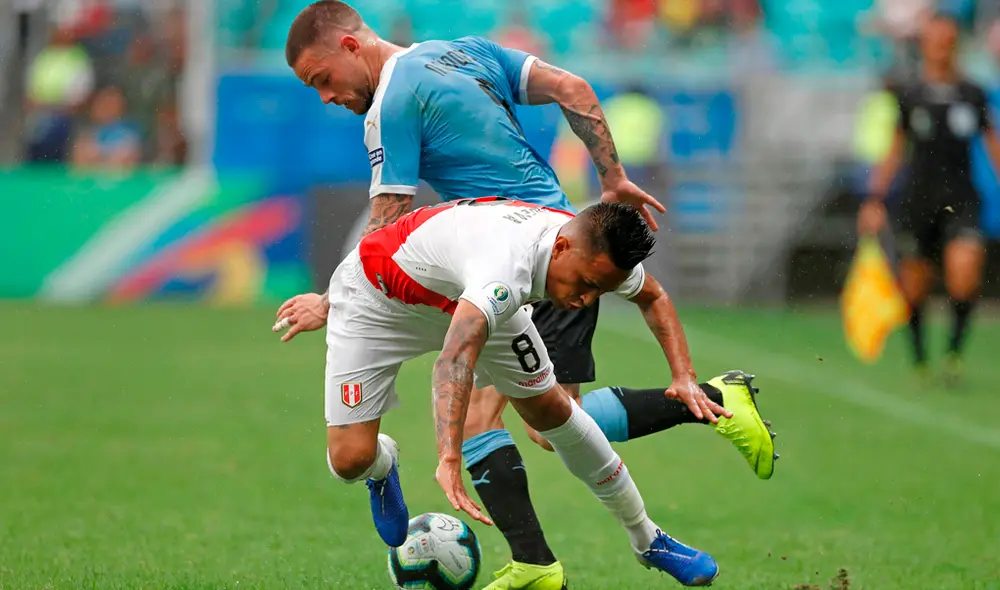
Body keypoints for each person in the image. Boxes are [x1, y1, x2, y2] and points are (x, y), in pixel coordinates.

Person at [279, 2, 777, 587]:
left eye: (323, 80)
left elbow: (387, 222)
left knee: (528, 420)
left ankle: (544, 560)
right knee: (544, 418)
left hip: (534, 265)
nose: (326, 97)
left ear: (351, 47)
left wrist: (333, 300)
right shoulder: (462, 51)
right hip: (552, 234)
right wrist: (611, 175)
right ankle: (545, 559)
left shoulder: (391, 102)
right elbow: (573, 86)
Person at [275, 198, 727, 586]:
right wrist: (448, 457)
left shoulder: (594, 254)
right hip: (377, 304)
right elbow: (453, 360)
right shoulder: (504, 267)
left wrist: (683, 375)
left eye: (601, 291)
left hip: (468, 302)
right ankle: (383, 463)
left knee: (553, 410)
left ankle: (648, 539)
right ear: (563, 248)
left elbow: (653, 296)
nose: (587, 300)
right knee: (349, 460)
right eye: (587, 285)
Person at [860, 12, 1000, 387]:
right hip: (917, 201)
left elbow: (991, 145)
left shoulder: (973, 92)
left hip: (962, 198)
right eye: (935, 39)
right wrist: (874, 198)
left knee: (965, 273)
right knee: (914, 286)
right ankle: (921, 357)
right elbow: (895, 150)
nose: (941, 46)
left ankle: (954, 354)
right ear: (924, 44)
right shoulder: (909, 93)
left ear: (956, 43)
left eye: (947, 39)